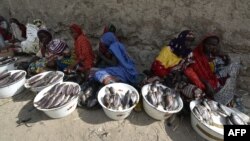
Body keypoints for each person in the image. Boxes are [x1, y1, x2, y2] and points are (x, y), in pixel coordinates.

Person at [184, 34, 240, 105]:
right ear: (203, 43)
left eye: (214, 45)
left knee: (233, 66)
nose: (211, 47)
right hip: (201, 81)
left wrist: (226, 59)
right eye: (209, 44)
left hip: (212, 79)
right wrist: (207, 84)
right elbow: (196, 72)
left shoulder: (214, 55)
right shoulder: (195, 55)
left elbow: (220, 69)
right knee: (198, 91)